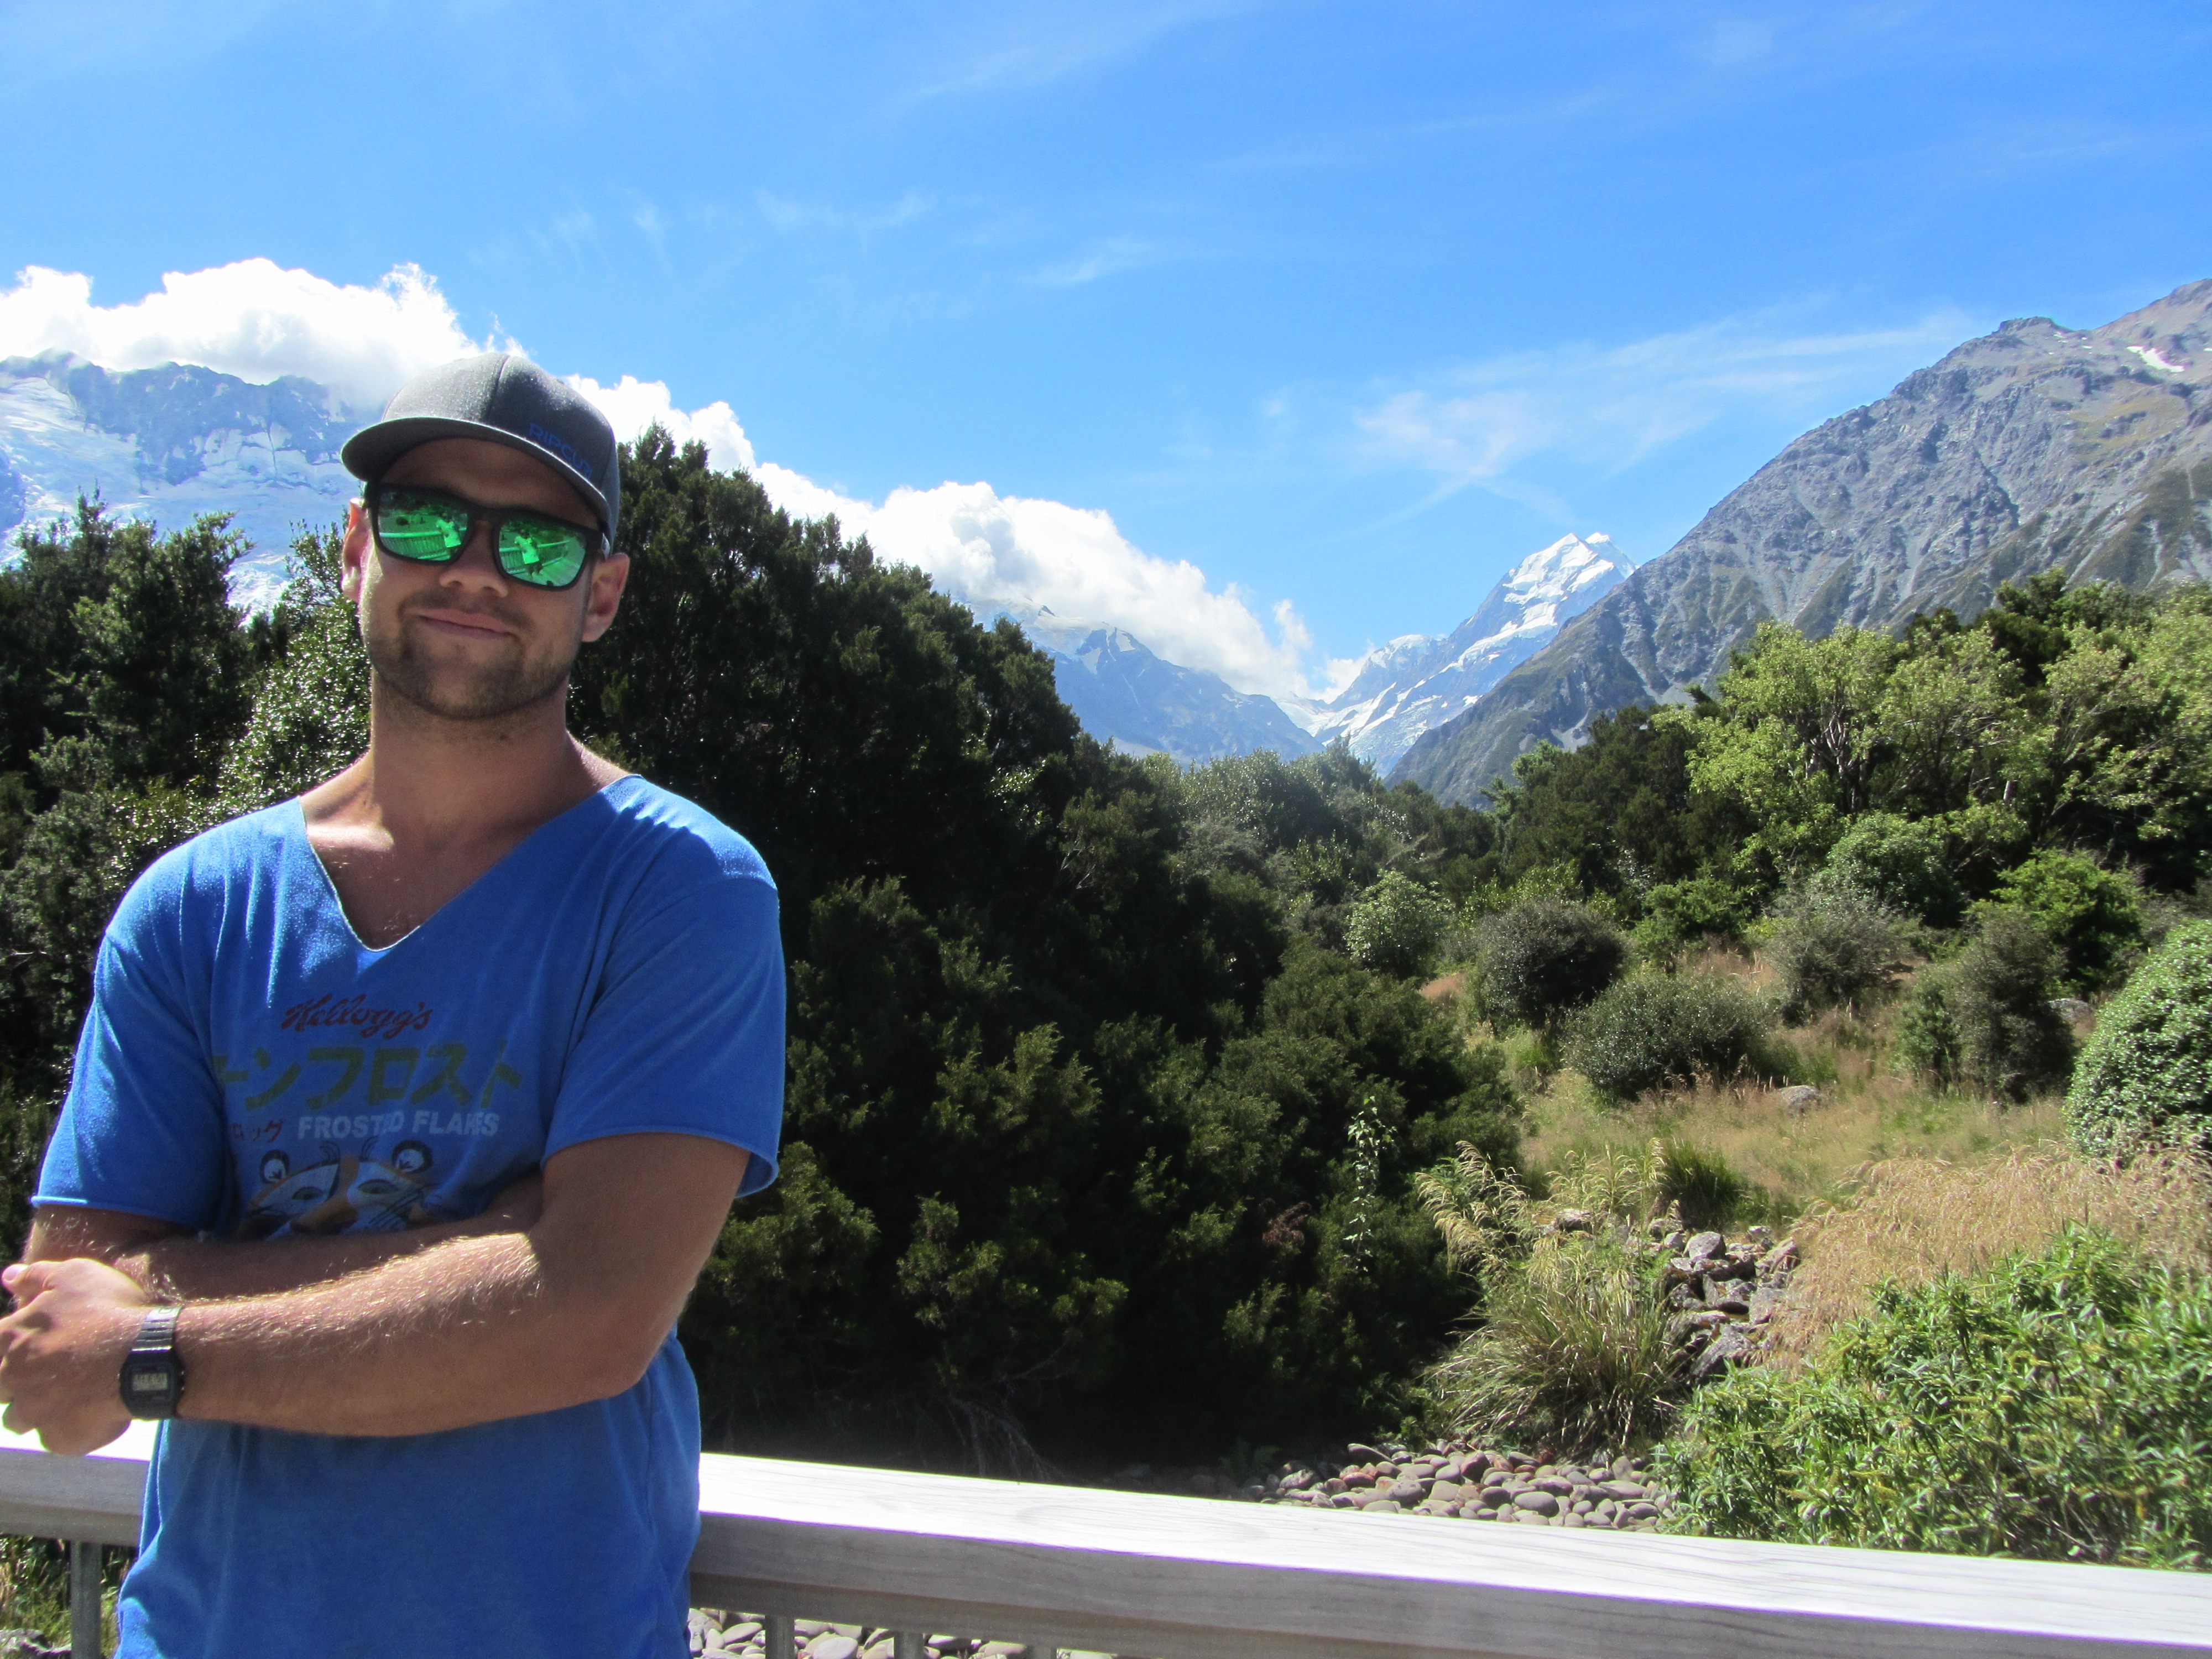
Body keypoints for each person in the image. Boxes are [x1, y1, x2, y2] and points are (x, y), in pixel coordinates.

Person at [0, 353, 785, 1659]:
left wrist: (156, 1336)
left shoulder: (683, 890)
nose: (475, 569)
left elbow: (592, 1320)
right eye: (428, 520)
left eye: (536, 542)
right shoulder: (193, 910)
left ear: (599, 595)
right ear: (356, 548)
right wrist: (496, 1248)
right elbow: (57, 1372)